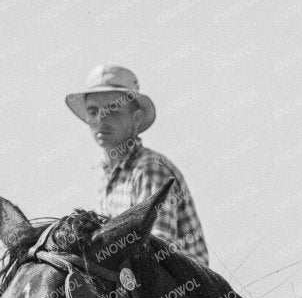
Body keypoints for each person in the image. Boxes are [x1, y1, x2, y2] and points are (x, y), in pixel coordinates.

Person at [66, 64, 209, 263]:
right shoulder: (107, 176)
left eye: (113, 110)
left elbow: (155, 249)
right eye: (93, 111)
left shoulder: (150, 168)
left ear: (136, 118)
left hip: (178, 279)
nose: (101, 119)